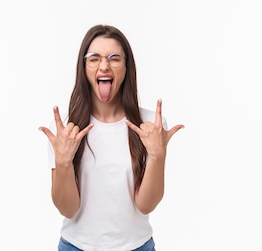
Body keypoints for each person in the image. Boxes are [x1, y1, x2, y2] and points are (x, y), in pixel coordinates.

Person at [38, 24, 184, 251]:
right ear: (83, 67)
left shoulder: (149, 126)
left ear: (127, 67)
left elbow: (146, 205)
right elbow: (67, 209)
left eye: (115, 58)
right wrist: (63, 162)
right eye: (94, 58)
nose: (104, 66)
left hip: (137, 246)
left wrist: (157, 155)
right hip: (76, 246)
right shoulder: (66, 129)